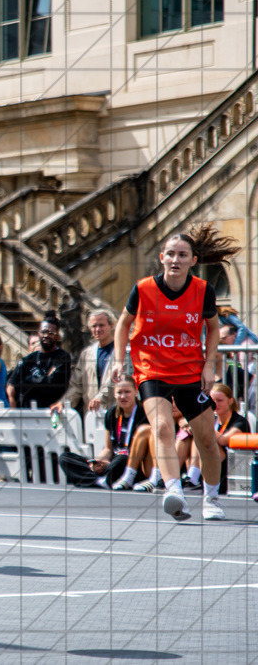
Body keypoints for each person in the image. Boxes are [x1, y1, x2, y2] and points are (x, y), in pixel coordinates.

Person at [112, 223, 240, 522]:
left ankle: (211, 498)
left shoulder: (202, 290)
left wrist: (209, 365)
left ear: (193, 260)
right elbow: (122, 324)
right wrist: (119, 360)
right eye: (170, 254)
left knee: (206, 439)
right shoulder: (144, 288)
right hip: (152, 370)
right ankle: (173, 490)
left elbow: (211, 328)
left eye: (182, 255)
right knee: (162, 427)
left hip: (189, 372)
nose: (175, 260)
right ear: (161, 257)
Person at [60, 378, 152, 489]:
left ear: (136, 392)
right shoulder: (112, 413)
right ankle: (101, 480)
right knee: (65, 458)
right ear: (114, 394)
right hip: (113, 462)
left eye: (127, 392)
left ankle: (97, 480)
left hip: (132, 465)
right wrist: (98, 461)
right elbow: (108, 449)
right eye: (119, 392)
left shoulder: (144, 413)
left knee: (122, 459)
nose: (123, 396)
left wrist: (110, 464)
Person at [51, 309, 118, 416]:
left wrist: (100, 397)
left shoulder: (123, 351)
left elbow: (119, 380)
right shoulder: (86, 354)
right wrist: (63, 403)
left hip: (116, 412)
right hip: (92, 415)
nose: (97, 329)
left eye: (101, 325)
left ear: (111, 325)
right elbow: (76, 386)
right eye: (94, 326)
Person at [6, 314, 73, 409]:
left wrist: (28, 381)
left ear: (57, 337)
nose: (46, 335)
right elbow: (13, 384)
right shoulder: (28, 359)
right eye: (44, 332)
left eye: (51, 333)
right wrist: (12, 400)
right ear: (39, 334)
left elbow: (52, 386)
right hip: (28, 413)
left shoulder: (62, 357)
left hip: (51, 412)